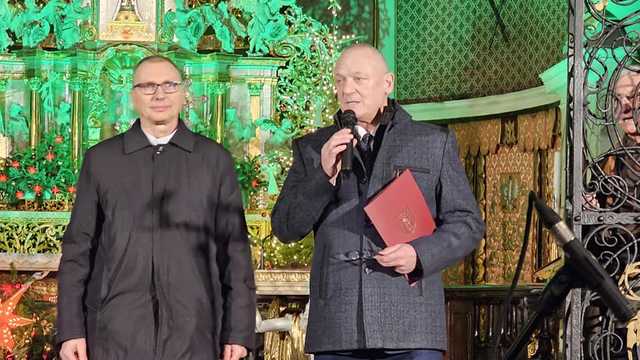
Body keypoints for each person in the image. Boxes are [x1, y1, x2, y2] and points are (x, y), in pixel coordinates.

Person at [271, 44, 485, 359]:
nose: (348, 89)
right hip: (338, 326)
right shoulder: (313, 147)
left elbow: (467, 223)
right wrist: (323, 174)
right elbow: (285, 226)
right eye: (340, 80)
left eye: (359, 78)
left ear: (388, 83)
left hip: (412, 323)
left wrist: (418, 254)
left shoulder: (431, 141)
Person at [56, 55, 255, 360]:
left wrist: (238, 332)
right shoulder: (102, 160)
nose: (159, 94)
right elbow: (77, 250)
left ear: (183, 92)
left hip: (196, 332)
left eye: (169, 85)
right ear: (133, 95)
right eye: (148, 86)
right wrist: (71, 330)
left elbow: (236, 254)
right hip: (116, 331)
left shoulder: (214, 160)